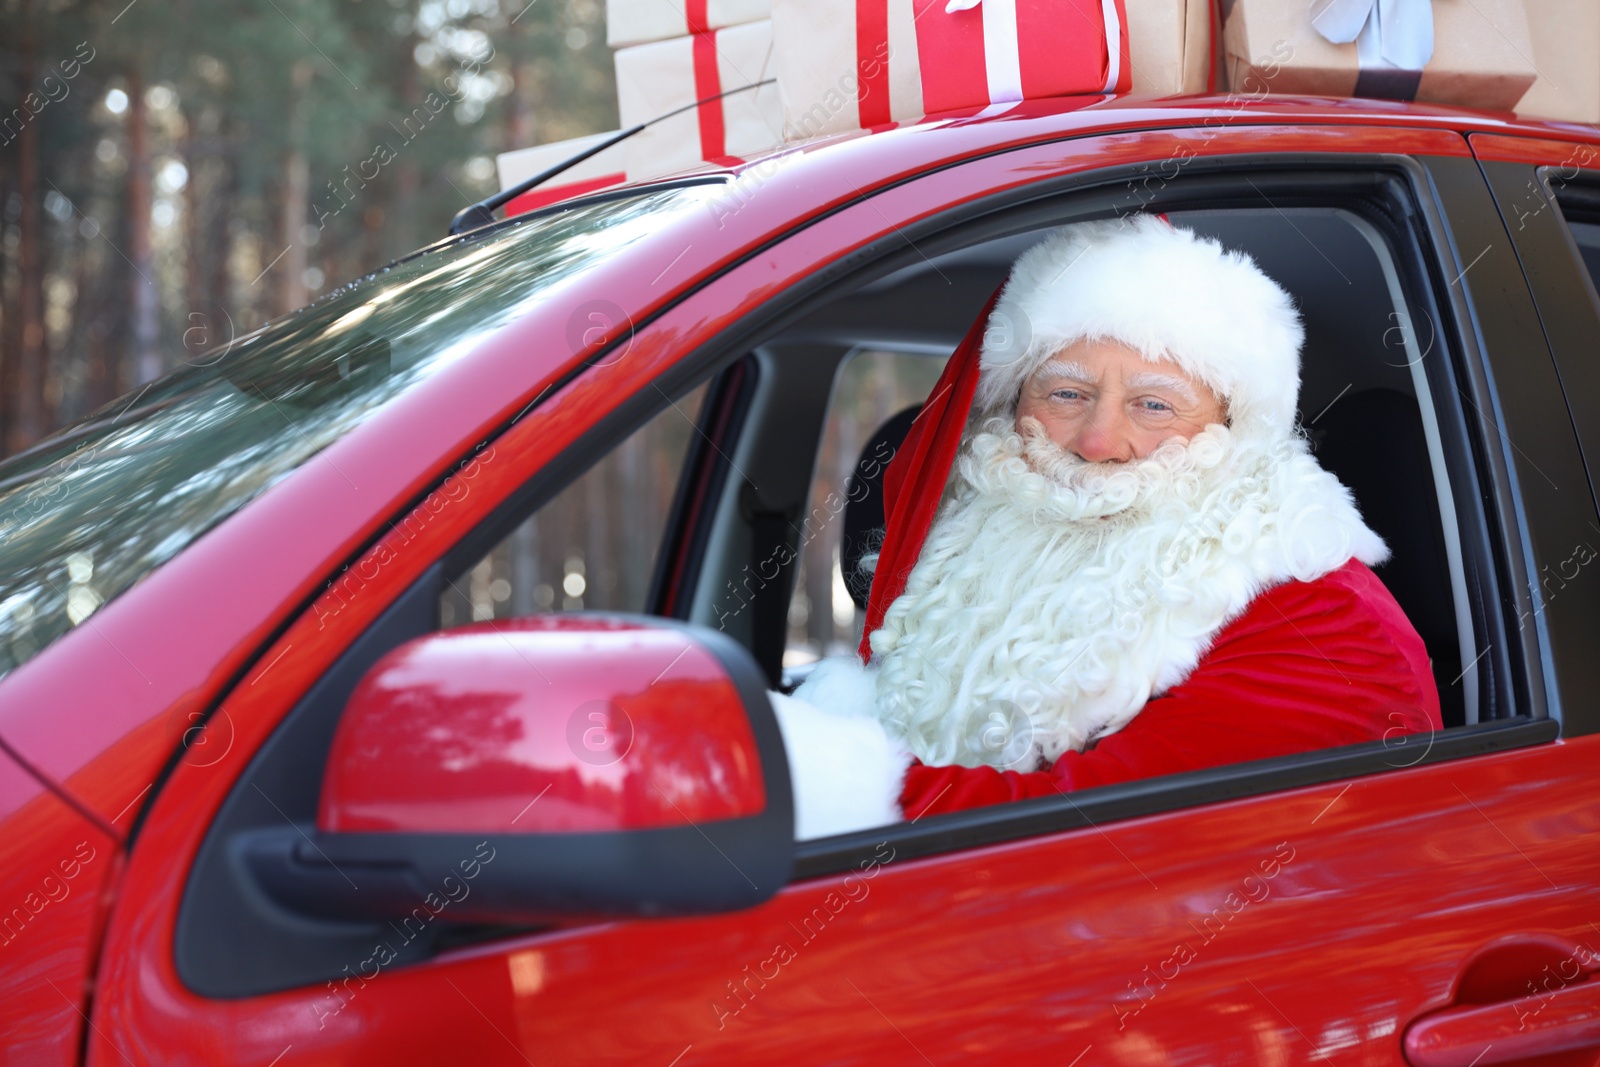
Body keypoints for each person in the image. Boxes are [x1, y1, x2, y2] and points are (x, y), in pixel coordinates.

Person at [770, 214, 1441, 841]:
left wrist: (818, 776)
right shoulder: (973, 550)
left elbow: (1090, 846)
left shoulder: (1327, 626)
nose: (1098, 440)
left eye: (1153, 404)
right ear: (1012, 406)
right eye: (1067, 393)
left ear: (1233, 427)